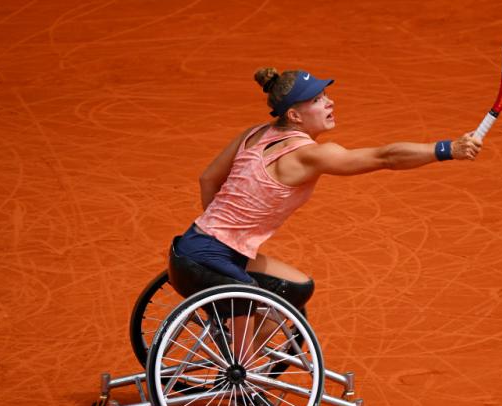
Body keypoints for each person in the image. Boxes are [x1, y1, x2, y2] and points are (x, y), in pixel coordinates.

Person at [170, 67, 482, 313]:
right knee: (257, 306)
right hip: (210, 259)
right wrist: (448, 149)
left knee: (296, 287)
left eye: (325, 95)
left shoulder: (254, 134)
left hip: (191, 246)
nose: (329, 102)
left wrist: (220, 232)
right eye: (318, 100)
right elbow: (385, 157)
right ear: (294, 116)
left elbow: (207, 179)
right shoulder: (309, 154)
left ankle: (242, 343)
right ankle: (241, 367)